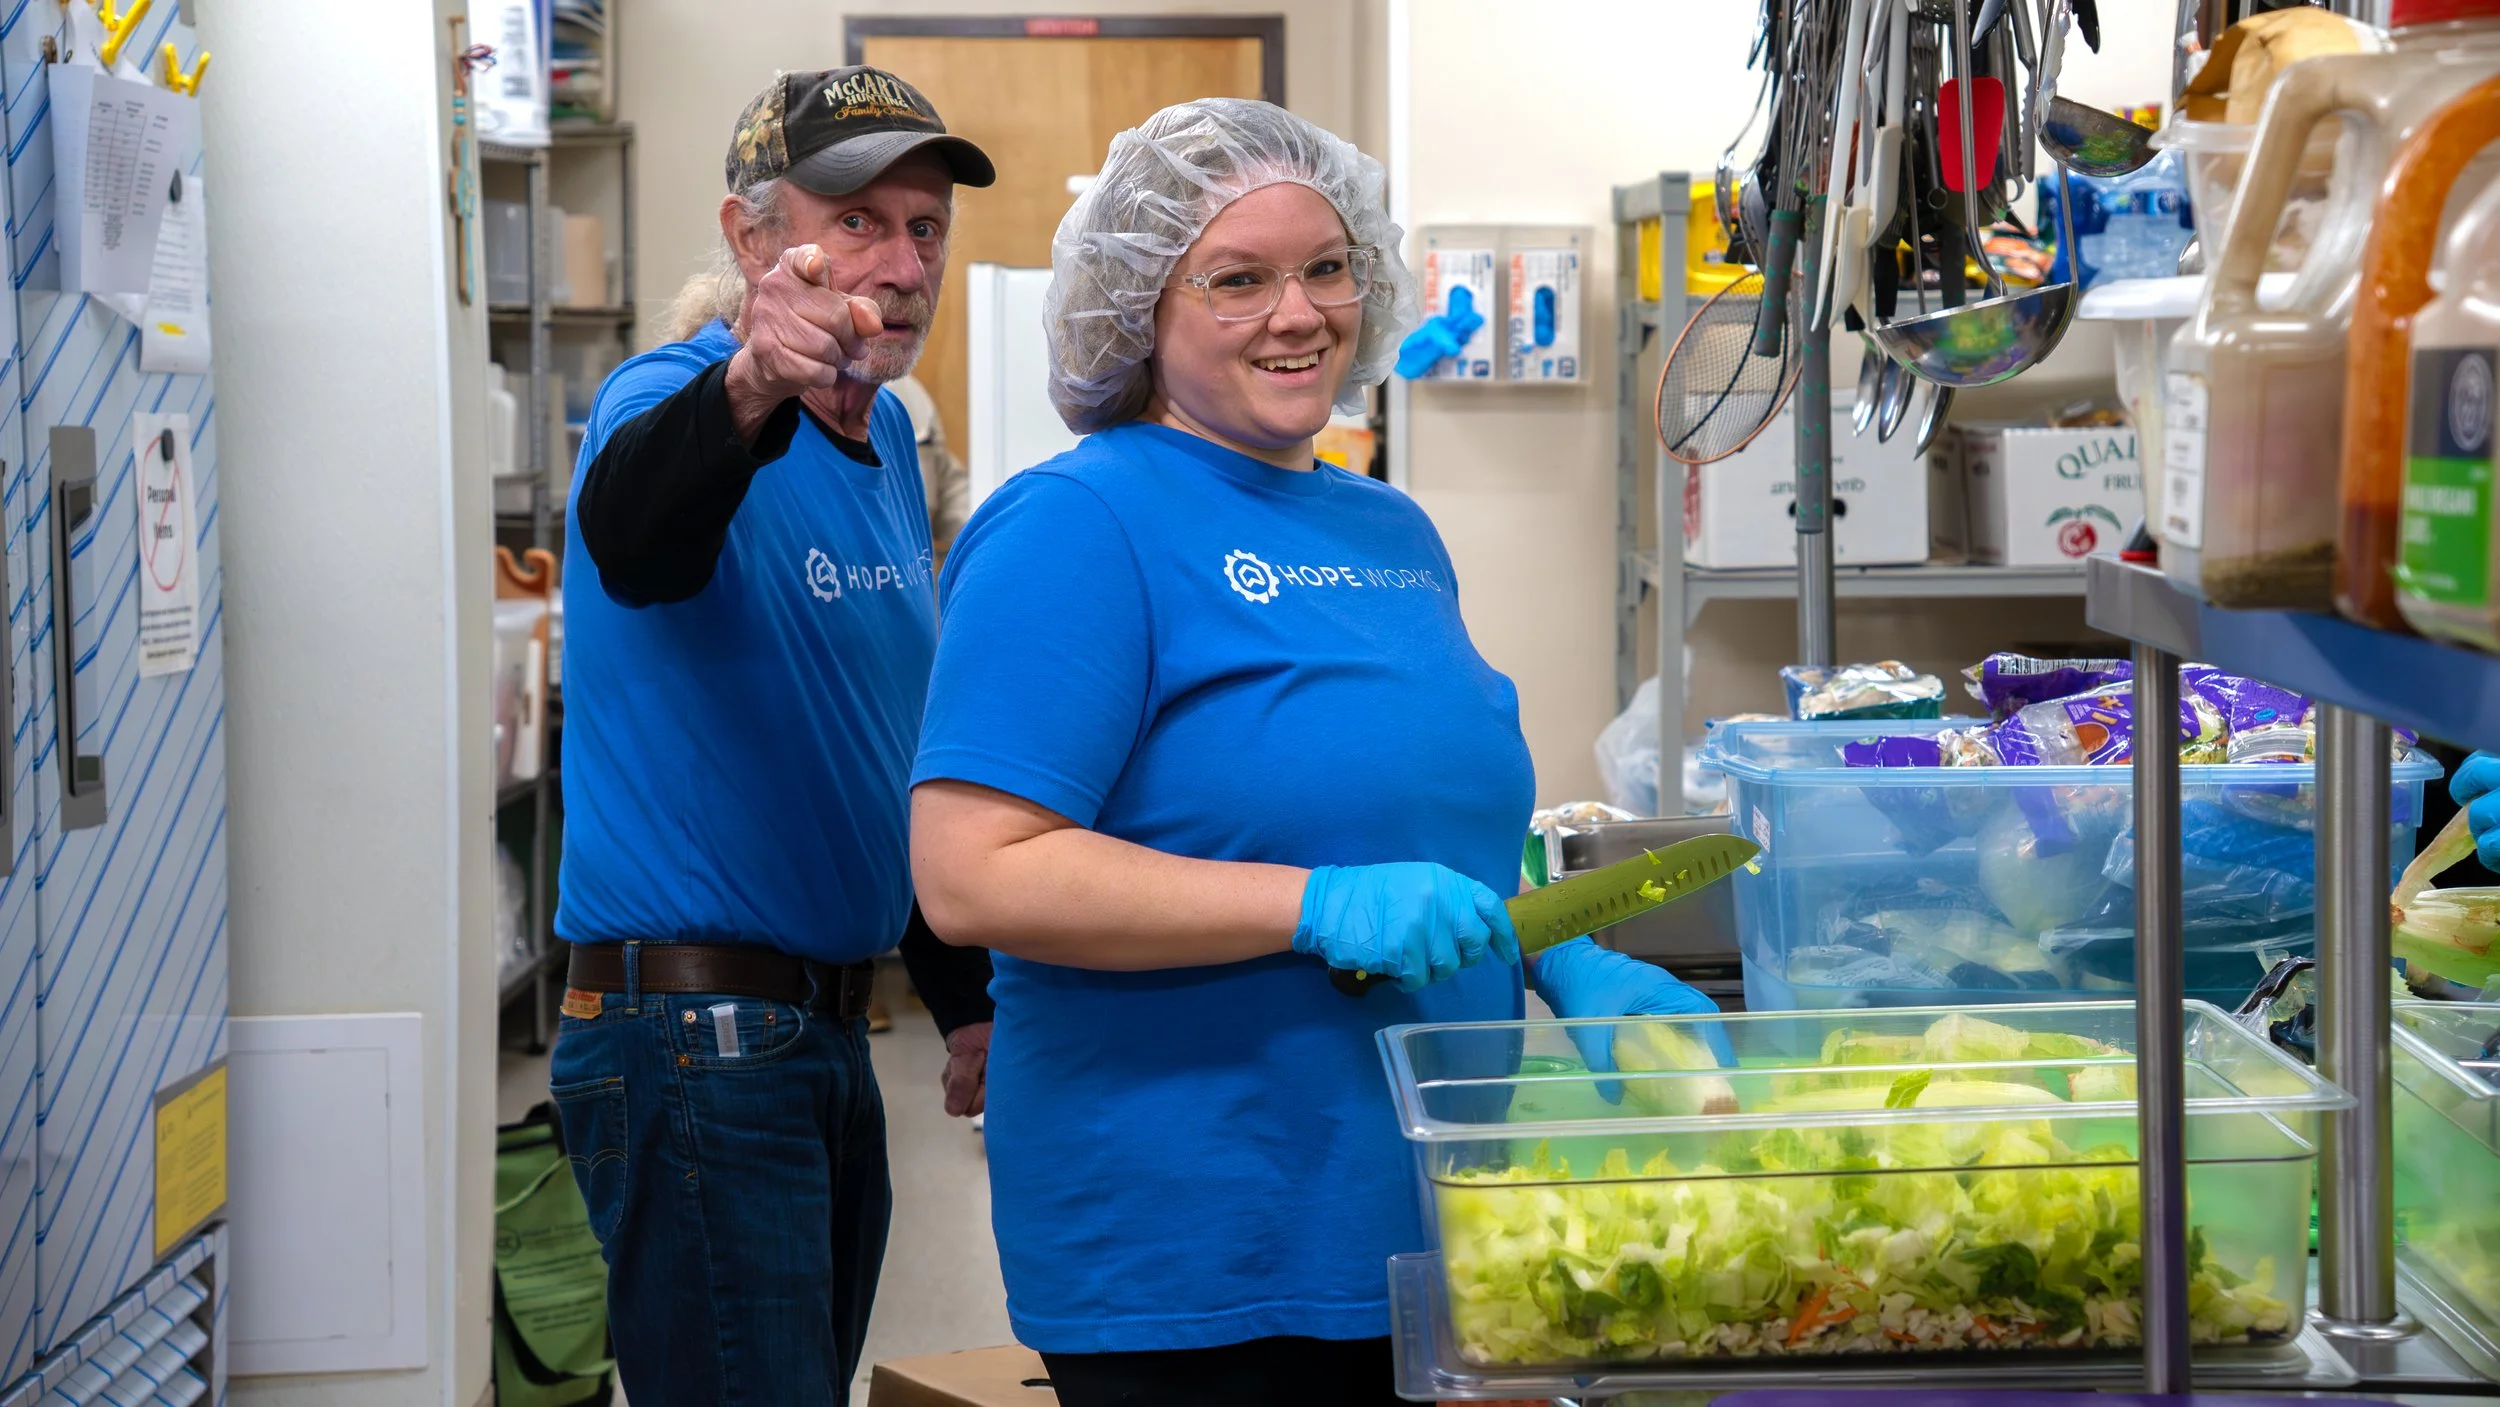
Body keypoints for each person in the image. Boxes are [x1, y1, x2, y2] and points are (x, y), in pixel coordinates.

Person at [908, 98, 1717, 1405]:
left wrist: (1567, 955)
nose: (1299, 312)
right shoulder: (1076, 523)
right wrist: (1316, 905)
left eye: (1327, 267)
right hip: (1199, 1254)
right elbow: (972, 873)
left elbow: (1429, 815)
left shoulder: (1391, 528)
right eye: (1238, 278)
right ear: (1142, 306)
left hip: (1413, 1216)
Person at [548, 66, 995, 1404]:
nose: (902, 261)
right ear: (754, 240)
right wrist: (750, 379)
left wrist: (965, 1000)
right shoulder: (669, 396)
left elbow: (882, 749)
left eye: (925, 228)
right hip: (695, 1034)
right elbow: (637, 532)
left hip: (817, 1032)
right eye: (858, 220)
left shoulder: (888, 451)